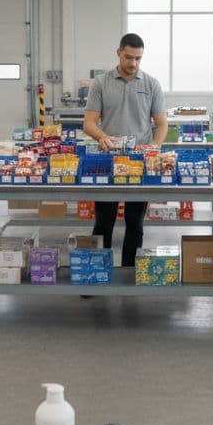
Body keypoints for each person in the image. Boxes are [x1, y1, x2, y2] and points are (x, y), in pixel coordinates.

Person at [83, 33, 167, 265]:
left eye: (138, 58)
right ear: (118, 52)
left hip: (139, 163)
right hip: (107, 162)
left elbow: (161, 125)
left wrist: (154, 147)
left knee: (135, 223)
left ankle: (130, 272)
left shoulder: (151, 84)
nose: (133, 63)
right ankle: (99, 271)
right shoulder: (101, 83)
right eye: (129, 57)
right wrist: (102, 136)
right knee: (103, 223)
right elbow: (89, 123)